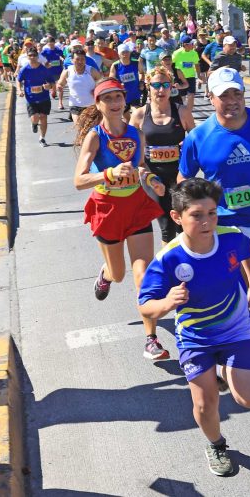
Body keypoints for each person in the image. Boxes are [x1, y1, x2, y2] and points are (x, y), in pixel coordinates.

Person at [138, 177, 250, 477]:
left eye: (212, 213)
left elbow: (247, 251)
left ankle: (221, 370)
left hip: (236, 331)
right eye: (196, 215)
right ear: (177, 217)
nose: (206, 222)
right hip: (195, 338)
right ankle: (217, 444)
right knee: (206, 404)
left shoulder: (232, 237)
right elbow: (145, 305)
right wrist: (167, 302)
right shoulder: (168, 258)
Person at [72, 79, 169, 360]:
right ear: (98, 103)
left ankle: (151, 339)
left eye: (118, 97)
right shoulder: (95, 137)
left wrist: (152, 180)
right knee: (119, 273)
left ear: (125, 100)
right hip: (108, 210)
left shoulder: (136, 134)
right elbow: (79, 180)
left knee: (144, 274)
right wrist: (109, 174)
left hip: (136, 206)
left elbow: (141, 167)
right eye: (108, 98)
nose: (115, 103)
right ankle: (106, 275)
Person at [179, 67, 250, 298]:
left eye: (237, 93)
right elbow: (184, 179)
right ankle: (236, 315)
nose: (232, 101)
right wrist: (194, 214)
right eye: (224, 95)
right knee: (235, 288)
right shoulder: (198, 137)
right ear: (210, 98)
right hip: (225, 224)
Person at [130, 65, 196, 245]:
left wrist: (187, 145)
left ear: (172, 87)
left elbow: (197, 141)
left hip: (180, 174)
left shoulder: (182, 112)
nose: (161, 90)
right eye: (156, 85)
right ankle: (169, 261)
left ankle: (186, 259)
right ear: (148, 86)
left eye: (166, 85)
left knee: (184, 223)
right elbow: (131, 148)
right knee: (167, 225)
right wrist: (141, 171)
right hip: (153, 176)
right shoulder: (139, 115)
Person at [16, 48, 55, 147]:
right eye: (30, 55)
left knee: (43, 117)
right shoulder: (25, 69)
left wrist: (49, 86)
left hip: (44, 98)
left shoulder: (43, 69)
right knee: (35, 118)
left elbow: (52, 82)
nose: (32, 57)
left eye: (34, 55)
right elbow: (18, 80)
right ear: (27, 57)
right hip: (31, 98)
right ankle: (34, 124)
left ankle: (42, 138)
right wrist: (19, 90)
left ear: (37, 57)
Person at [58, 48, 103, 123]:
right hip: (75, 105)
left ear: (85, 60)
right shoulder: (68, 72)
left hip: (91, 105)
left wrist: (96, 89)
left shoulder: (91, 70)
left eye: (82, 59)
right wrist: (59, 87)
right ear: (72, 60)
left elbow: (102, 82)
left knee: (90, 127)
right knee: (79, 127)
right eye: (77, 59)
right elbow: (60, 83)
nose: (80, 61)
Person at [110, 42, 142, 114]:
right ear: (119, 54)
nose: (125, 54)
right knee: (125, 115)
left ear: (130, 53)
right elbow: (111, 79)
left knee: (137, 113)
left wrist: (141, 82)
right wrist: (118, 84)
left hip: (134, 92)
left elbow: (141, 73)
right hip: (122, 94)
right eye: (123, 52)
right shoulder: (115, 65)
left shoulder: (136, 62)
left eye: (127, 52)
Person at [172, 35, 200, 107]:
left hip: (191, 77)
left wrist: (199, 77)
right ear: (185, 45)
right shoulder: (177, 53)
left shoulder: (194, 53)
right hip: (180, 78)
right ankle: (182, 109)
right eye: (191, 43)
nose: (193, 45)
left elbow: (197, 65)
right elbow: (171, 64)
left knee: (191, 95)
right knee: (182, 97)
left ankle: (189, 110)